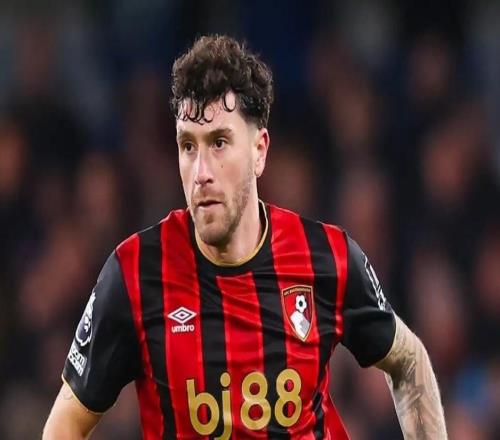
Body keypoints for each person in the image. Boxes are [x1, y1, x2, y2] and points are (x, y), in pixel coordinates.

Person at [43, 35, 447, 439]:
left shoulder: (327, 256)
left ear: (259, 150)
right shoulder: (135, 272)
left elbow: (409, 362)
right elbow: (65, 424)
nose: (201, 172)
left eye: (219, 143)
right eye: (188, 146)